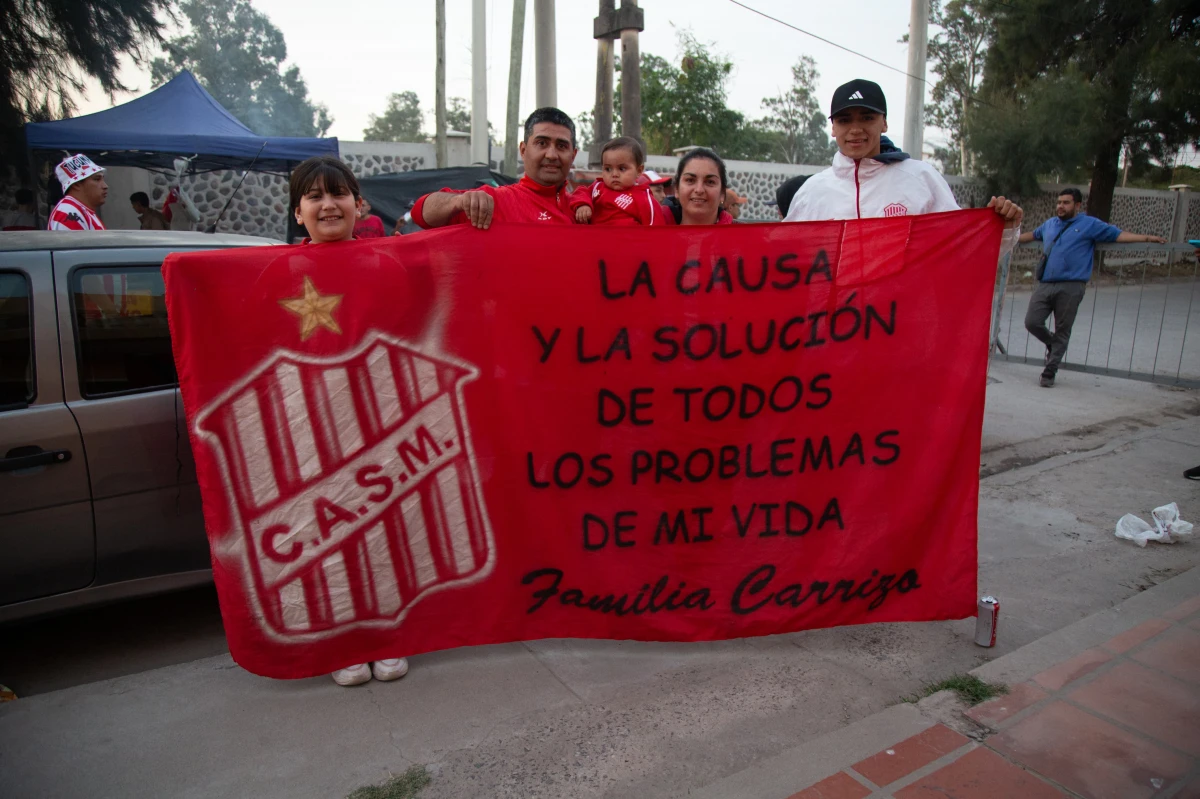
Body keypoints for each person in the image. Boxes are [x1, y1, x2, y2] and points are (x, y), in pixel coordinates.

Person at [287, 155, 411, 687]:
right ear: (298, 213)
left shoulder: (387, 263)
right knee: (328, 534)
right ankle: (342, 640)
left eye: (338, 193)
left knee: (384, 530)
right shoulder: (277, 270)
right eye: (314, 196)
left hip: (379, 420)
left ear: (359, 204)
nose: (327, 204)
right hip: (311, 427)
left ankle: (388, 634)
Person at [783, 79, 1022, 249]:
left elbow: (962, 245)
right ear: (833, 128)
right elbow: (785, 257)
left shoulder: (921, 178)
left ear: (884, 123)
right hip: (839, 319)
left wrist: (1004, 228)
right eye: (845, 120)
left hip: (905, 317)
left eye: (867, 117)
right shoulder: (811, 192)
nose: (855, 129)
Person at [1018, 188, 1166, 387]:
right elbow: (1031, 235)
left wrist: (1147, 238)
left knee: (1063, 329)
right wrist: (1006, 238)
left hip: (1071, 286)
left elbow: (1118, 235)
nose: (1060, 206)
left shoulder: (1089, 224)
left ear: (1078, 205)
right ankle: (1053, 344)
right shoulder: (1050, 224)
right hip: (1046, 283)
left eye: (1066, 202)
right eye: (1059, 202)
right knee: (1032, 322)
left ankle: (1049, 371)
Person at [413, 107, 578, 229]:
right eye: (542, 143)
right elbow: (421, 213)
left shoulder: (588, 209)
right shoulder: (492, 203)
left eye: (562, 146)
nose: (551, 155)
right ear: (523, 150)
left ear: (573, 155)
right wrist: (458, 202)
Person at [570, 136, 664, 226]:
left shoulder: (644, 199)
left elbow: (656, 231)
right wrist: (583, 205)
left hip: (627, 241)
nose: (614, 174)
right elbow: (580, 192)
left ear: (639, 170)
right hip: (595, 240)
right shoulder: (597, 187)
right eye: (608, 169)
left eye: (622, 169)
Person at [663, 148, 735, 226]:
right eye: (690, 180)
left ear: (722, 194)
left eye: (710, 182)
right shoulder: (654, 232)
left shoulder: (742, 236)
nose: (699, 190)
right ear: (676, 189)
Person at [47, 154, 107, 231]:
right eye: (97, 179)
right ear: (76, 184)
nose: (105, 186)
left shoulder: (80, 210)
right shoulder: (69, 212)